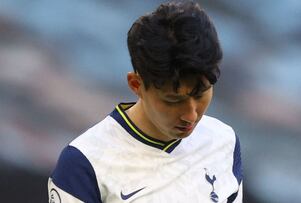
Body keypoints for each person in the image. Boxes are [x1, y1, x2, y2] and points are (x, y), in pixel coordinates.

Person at [48, 1, 243, 202]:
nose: (191, 115)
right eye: (173, 100)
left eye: (200, 94)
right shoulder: (84, 163)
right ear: (136, 84)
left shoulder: (224, 141)